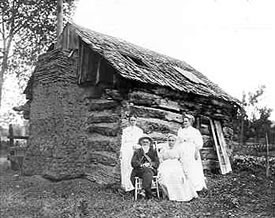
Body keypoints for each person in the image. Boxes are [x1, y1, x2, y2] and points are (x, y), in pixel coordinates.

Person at [158, 134, 198, 201]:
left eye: (172, 140)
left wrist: (184, 169)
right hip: (166, 165)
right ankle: (168, 195)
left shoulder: (179, 149)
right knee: (164, 176)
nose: (171, 142)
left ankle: (179, 196)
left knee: (177, 176)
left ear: (175, 141)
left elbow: (182, 159)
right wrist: (161, 165)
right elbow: (161, 158)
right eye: (169, 140)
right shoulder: (164, 149)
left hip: (175, 164)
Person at [177, 114, 207, 193]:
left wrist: (196, 152)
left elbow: (198, 143)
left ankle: (195, 187)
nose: (184, 123)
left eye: (186, 121)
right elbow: (178, 142)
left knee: (192, 168)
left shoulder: (195, 131)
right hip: (182, 150)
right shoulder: (181, 131)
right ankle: (185, 187)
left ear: (190, 122)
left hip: (191, 151)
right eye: (184, 121)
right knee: (184, 167)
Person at [130, 135, 159, 199]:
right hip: (139, 170)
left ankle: (143, 191)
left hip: (151, 169)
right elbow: (133, 162)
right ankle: (148, 193)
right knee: (147, 171)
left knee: (148, 171)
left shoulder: (153, 151)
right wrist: (141, 165)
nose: (145, 143)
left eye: (147, 142)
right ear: (141, 143)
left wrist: (150, 164)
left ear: (149, 143)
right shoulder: (137, 151)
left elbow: (157, 162)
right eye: (144, 142)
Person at [120, 114, 143, 192]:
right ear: (129, 121)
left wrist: (137, 147)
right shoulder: (125, 130)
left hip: (135, 148)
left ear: (136, 121)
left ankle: (136, 185)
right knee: (126, 166)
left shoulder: (140, 131)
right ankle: (126, 185)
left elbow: (141, 141)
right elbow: (123, 142)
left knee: (134, 165)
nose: (133, 122)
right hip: (127, 148)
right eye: (131, 120)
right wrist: (121, 151)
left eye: (134, 120)